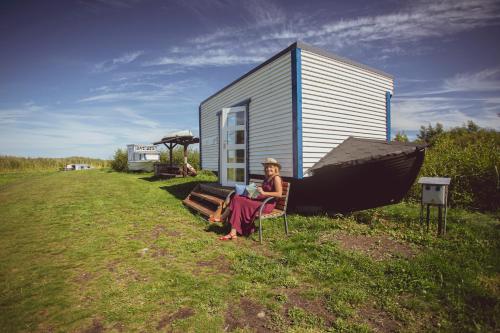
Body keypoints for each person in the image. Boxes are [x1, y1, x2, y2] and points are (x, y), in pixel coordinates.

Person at [214, 158, 283, 240]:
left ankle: (223, 218)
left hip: (267, 205)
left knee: (237, 200)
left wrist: (264, 193)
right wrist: (255, 193)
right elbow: (264, 191)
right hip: (261, 201)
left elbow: (279, 194)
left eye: (270, 167)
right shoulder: (267, 178)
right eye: (267, 167)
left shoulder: (276, 178)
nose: (268, 169)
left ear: (276, 168)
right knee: (237, 199)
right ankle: (233, 232)